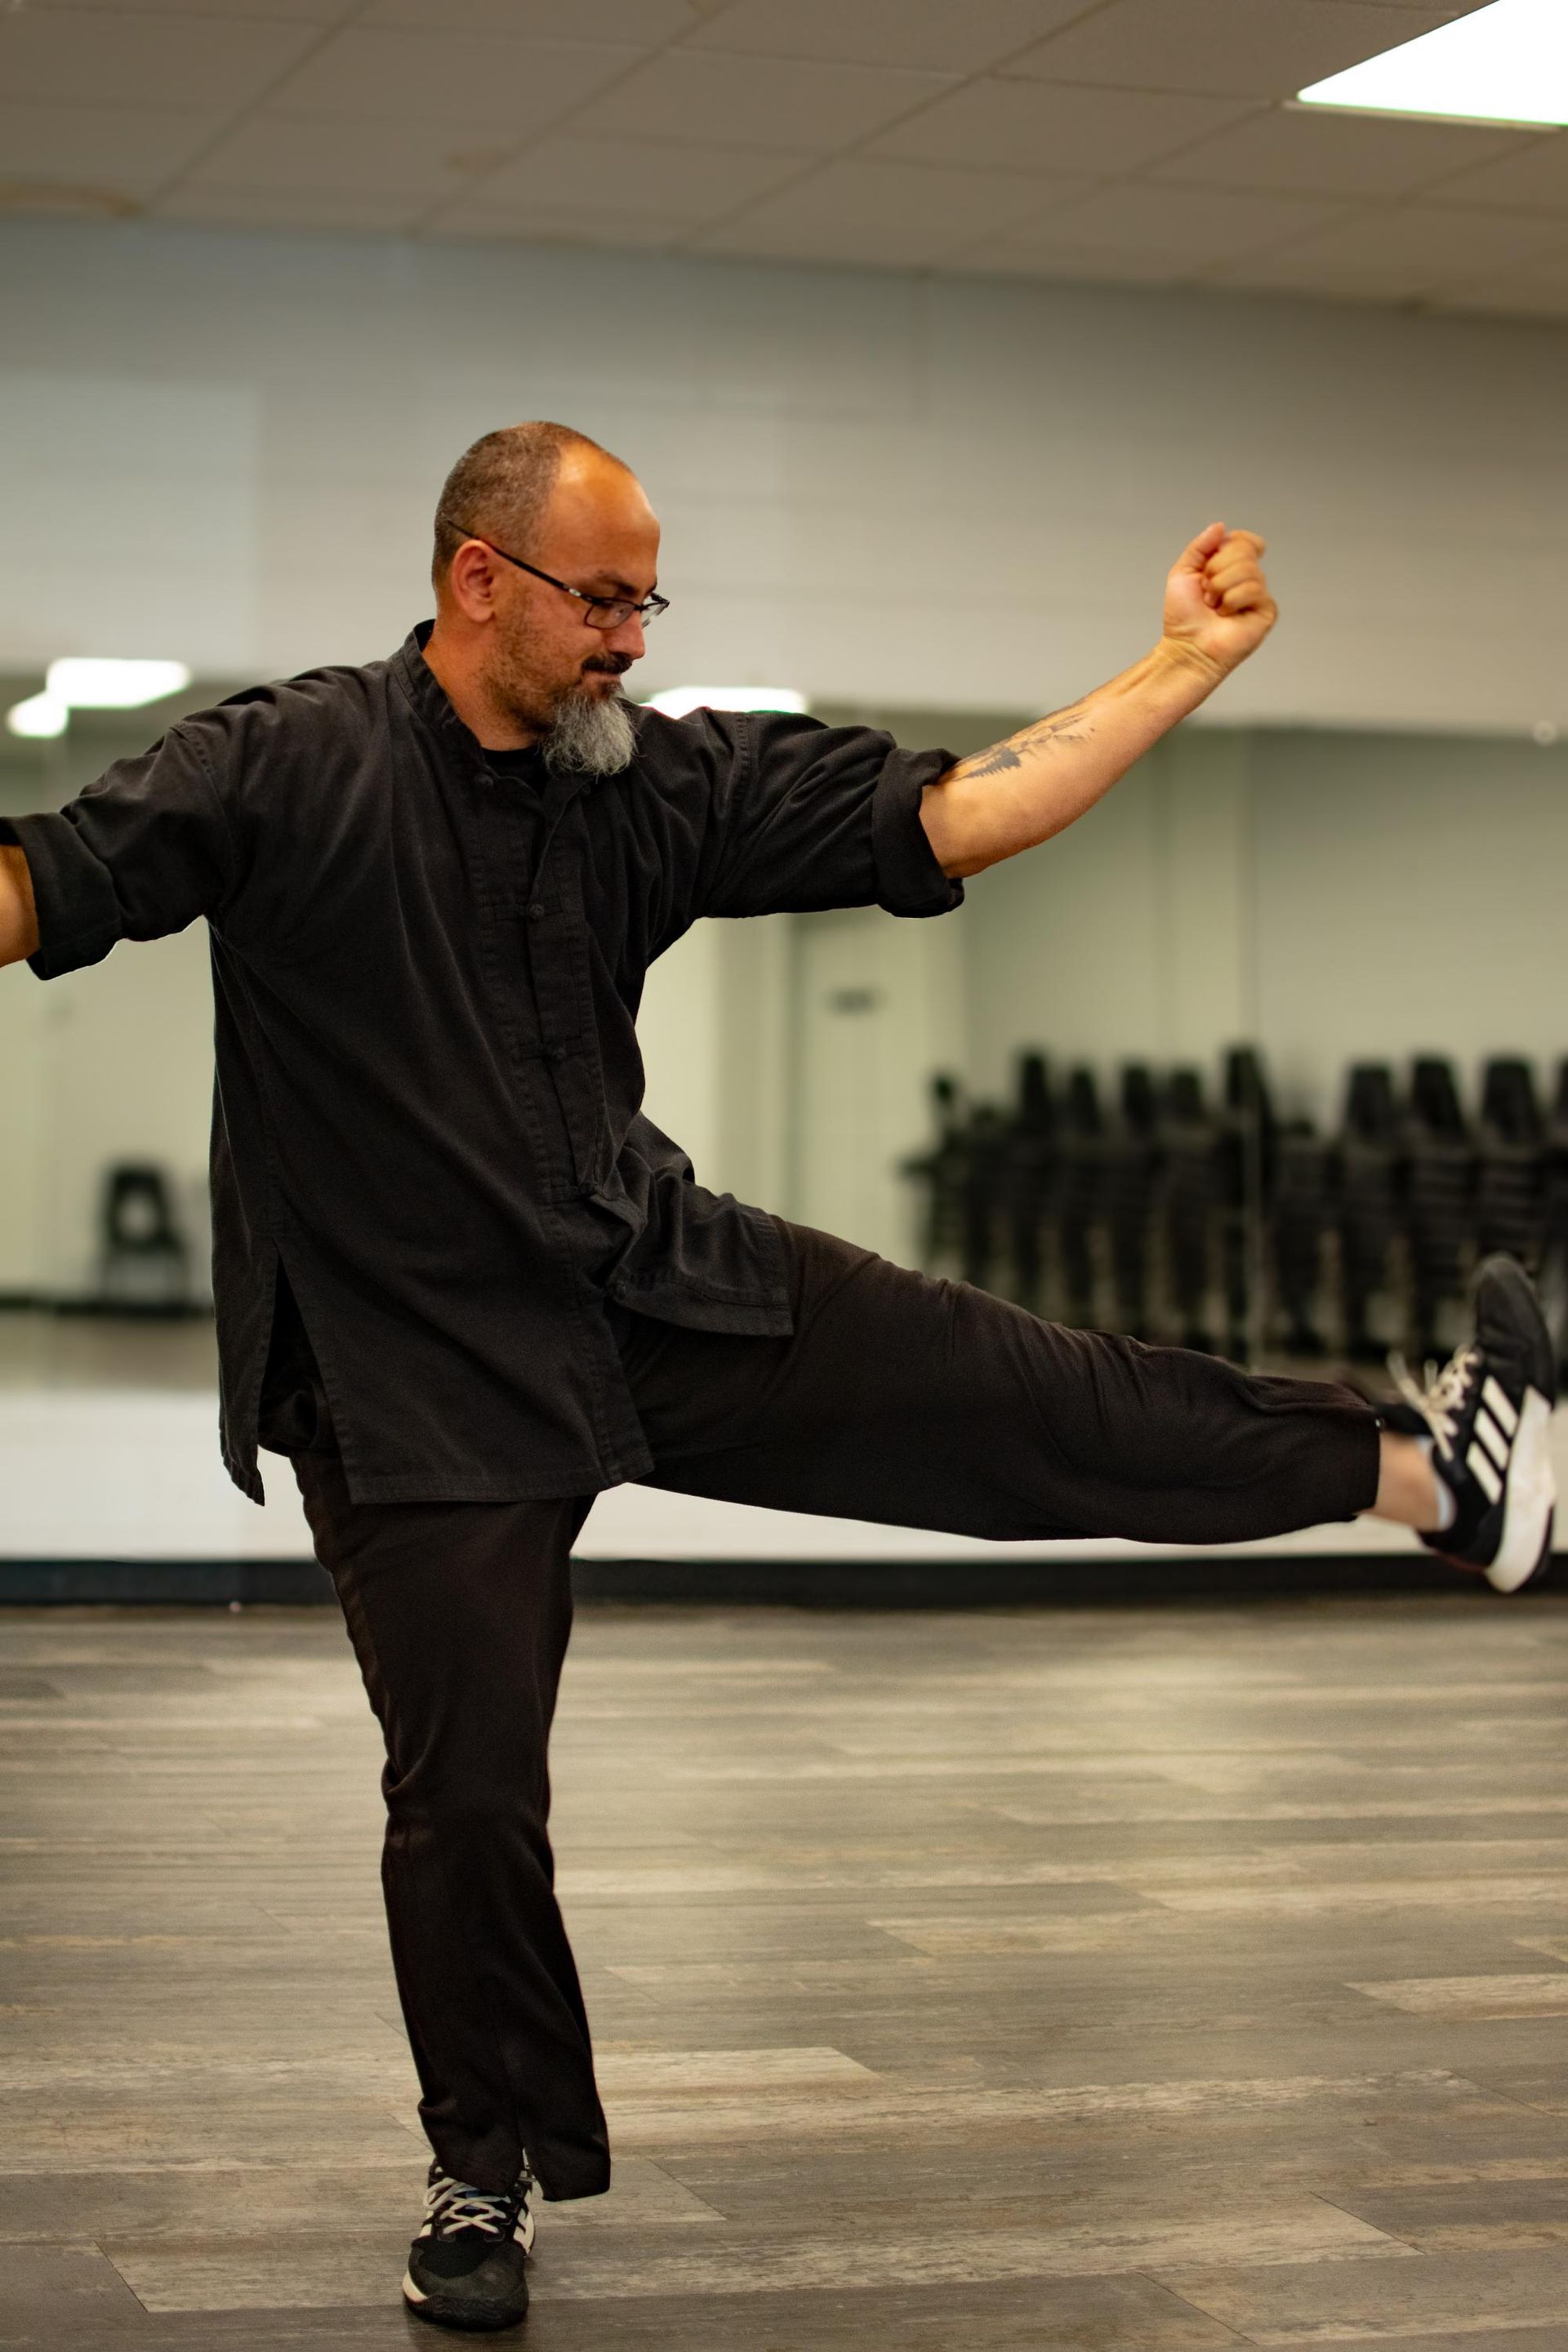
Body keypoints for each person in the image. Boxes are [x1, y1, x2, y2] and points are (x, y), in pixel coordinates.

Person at [0, 422, 1555, 2335]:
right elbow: (38, 887)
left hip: (652, 1281)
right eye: (603, 600)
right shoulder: (284, 764)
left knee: (1035, 1400)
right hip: (415, 1379)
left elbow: (960, 812)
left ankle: (1433, 1477)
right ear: (477, 578)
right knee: (468, 1798)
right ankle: (482, 2174)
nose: (632, 640)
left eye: (649, 601)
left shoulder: (649, 783)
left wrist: (1183, 662)